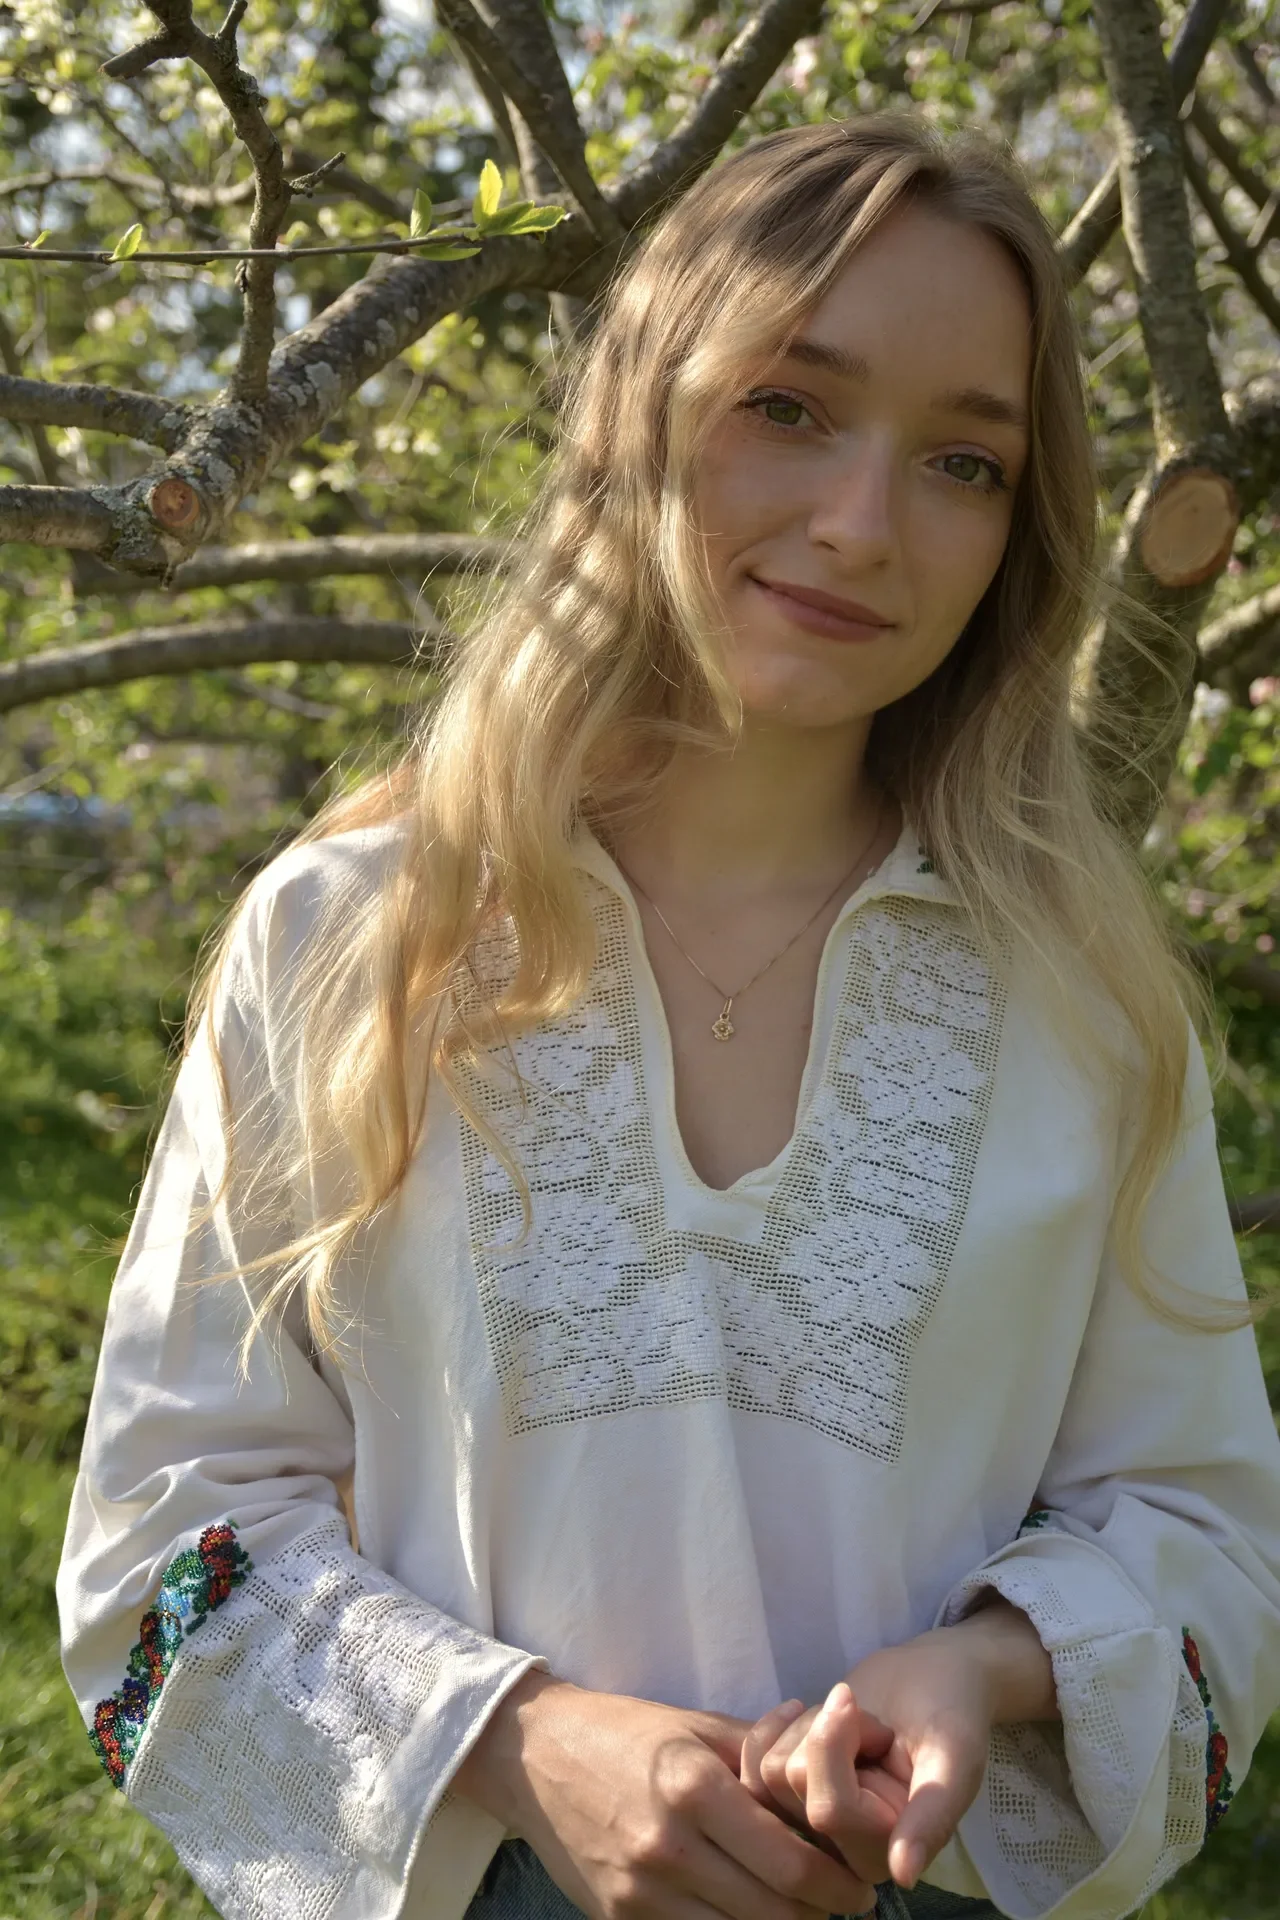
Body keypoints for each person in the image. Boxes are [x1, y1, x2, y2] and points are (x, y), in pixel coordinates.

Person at [56, 111, 1280, 1920]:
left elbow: (1213, 1544)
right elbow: (163, 1544)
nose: (860, 525)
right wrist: (516, 1740)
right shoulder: (352, 938)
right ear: (639, 409)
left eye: (963, 461)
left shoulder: (1081, 1005)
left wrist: (990, 1667)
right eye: (788, 405)